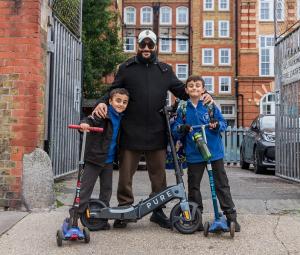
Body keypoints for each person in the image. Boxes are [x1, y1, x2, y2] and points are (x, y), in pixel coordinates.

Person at [93, 30, 213, 229]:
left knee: (158, 176)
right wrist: (100, 103)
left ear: (155, 46)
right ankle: (124, 210)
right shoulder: (126, 68)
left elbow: (182, 91)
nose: (146, 48)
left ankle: (157, 211)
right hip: (131, 129)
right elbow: (112, 90)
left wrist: (204, 94)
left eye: (150, 45)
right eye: (143, 44)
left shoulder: (164, 70)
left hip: (157, 130)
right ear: (138, 45)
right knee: (125, 175)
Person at [172, 75, 240, 232]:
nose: (194, 88)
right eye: (191, 86)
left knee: (221, 184)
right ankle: (196, 218)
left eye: (197, 85)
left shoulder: (210, 105)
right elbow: (175, 129)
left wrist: (216, 126)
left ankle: (231, 218)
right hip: (194, 153)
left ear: (203, 89)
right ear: (186, 90)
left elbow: (223, 123)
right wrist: (181, 128)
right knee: (193, 186)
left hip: (214, 152)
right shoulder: (183, 108)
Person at [73, 88, 129, 230]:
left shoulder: (123, 118)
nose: (121, 104)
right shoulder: (103, 113)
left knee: (106, 190)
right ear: (110, 101)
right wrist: (84, 124)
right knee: (85, 189)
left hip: (108, 161)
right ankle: (73, 218)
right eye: (118, 101)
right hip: (94, 158)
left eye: (124, 102)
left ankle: (102, 219)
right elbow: (90, 119)